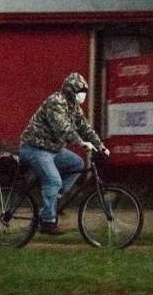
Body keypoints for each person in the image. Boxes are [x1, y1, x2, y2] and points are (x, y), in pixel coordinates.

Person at [19, 72, 110, 235]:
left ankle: (54, 201)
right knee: (53, 181)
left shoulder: (73, 106)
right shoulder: (56, 102)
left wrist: (100, 145)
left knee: (77, 164)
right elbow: (63, 128)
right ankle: (47, 222)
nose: (83, 95)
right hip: (34, 148)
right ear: (70, 90)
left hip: (52, 148)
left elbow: (85, 127)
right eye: (80, 91)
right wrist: (81, 143)